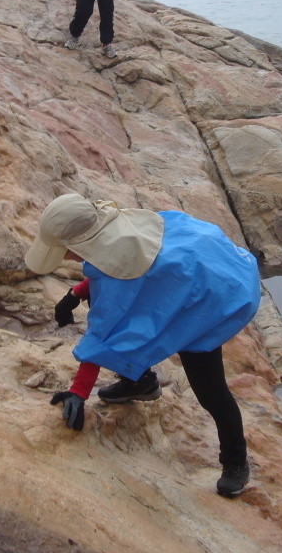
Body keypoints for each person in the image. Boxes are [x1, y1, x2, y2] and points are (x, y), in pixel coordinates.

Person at [25, 193, 261, 497]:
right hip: (194, 269)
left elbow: (103, 335)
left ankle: (235, 462)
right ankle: (141, 383)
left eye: (64, 251)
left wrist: (78, 392)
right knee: (133, 325)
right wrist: (75, 294)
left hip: (207, 302)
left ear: (79, 245)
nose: (65, 257)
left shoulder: (118, 274)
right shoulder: (119, 229)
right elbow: (111, 268)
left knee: (212, 393)